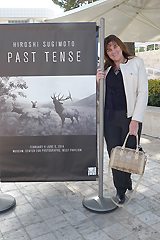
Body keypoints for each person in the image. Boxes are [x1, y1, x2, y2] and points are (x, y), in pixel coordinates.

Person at [96, 35, 148, 204]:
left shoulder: (136, 62)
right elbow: (99, 97)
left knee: (129, 153)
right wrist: (97, 82)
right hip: (110, 119)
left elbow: (143, 92)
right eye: (108, 50)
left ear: (121, 46)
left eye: (114, 47)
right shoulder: (107, 70)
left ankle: (126, 180)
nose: (113, 51)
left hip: (129, 118)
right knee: (115, 154)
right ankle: (120, 190)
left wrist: (136, 120)